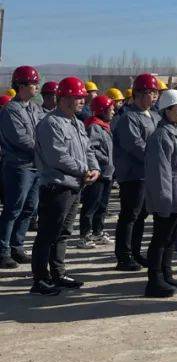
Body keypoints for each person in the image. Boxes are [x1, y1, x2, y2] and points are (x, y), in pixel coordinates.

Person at [30, 77, 100, 296]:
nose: (80, 101)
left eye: (82, 97)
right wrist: (84, 170)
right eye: (75, 97)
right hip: (57, 187)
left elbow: (88, 150)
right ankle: (41, 279)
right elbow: (57, 157)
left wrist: (94, 168)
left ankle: (58, 274)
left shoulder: (77, 123)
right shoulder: (51, 123)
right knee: (47, 234)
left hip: (75, 186)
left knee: (63, 233)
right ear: (62, 98)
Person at [142, 89, 177, 298]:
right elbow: (161, 172)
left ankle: (167, 274)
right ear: (167, 110)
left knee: (171, 239)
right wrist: (164, 201)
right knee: (160, 238)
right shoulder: (161, 137)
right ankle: (154, 280)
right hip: (168, 197)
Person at [112, 73, 161, 271]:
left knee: (141, 215)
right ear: (139, 94)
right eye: (152, 93)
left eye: (156, 93)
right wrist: (158, 158)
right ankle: (123, 255)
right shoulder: (128, 118)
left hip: (148, 174)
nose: (155, 97)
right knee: (129, 215)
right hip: (133, 174)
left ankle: (135, 251)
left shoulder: (155, 115)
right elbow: (136, 146)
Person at [0, 66, 44, 269]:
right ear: (21, 85)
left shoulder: (35, 108)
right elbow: (21, 139)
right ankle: (3, 250)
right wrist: (45, 148)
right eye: (33, 83)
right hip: (19, 166)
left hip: (35, 166)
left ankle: (17, 246)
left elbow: (44, 130)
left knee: (29, 208)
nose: (37, 86)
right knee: (13, 208)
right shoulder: (10, 110)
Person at [76, 94, 114, 249]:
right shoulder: (94, 127)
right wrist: (104, 159)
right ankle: (84, 235)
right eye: (110, 109)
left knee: (102, 205)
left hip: (107, 173)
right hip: (97, 172)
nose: (113, 112)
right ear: (102, 110)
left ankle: (98, 232)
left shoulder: (104, 126)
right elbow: (90, 148)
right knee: (91, 205)